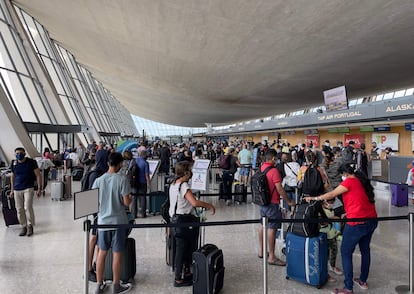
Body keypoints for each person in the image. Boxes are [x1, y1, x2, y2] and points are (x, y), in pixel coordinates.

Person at [304, 163, 377, 294]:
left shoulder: (349, 181)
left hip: (356, 223)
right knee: (365, 250)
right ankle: (362, 281)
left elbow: (331, 194)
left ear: (344, 174)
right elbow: (359, 199)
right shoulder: (362, 180)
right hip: (371, 220)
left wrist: (314, 198)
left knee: (345, 252)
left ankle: (348, 288)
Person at [169, 161, 215, 287]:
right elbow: (194, 202)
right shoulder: (183, 186)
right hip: (184, 221)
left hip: (175, 220)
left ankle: (187, 273)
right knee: (182, 250)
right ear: (186, 172)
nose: (191, 172)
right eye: (190, 170)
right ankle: (178, 278)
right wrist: (209, 205)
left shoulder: (173, 184)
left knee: (184, 248)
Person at [92, 152, 133, 294]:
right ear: (120, 163)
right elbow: (127, 202)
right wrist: (129, 199)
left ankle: (99, 285)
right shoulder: (122, 180)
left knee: (101, 253)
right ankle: (116, 285)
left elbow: (93, 203)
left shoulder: (98, 180)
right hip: (119, 222)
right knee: (117, 254)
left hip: (103, 222)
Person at [258, 149, 294, 266]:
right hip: (272, 203)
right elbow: (279, 189)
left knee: (262, 225)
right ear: (273, 158)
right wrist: (288, 201)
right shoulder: (274, 171)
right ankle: (272, 256)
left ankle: (261, 251)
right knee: (272, 229)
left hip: (262, 202)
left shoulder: (262, 167)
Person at [9, 147, 42, 237]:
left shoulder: (31, 162)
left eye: (20, 153)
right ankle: (23, 226)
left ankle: (30, 225)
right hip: (17, 188)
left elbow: (38, 175)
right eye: (17, 153)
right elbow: (12, 176)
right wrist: (12, 190)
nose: (18, 155)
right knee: (19, 209)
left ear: (24, 153)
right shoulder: (14, 163)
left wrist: (39, 188)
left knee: (27, 207)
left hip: (28, 187)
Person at [319, 199, 343, 277]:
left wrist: (338, 231)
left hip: (332, 234)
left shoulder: (331, 209)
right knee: (325, 253)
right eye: (330, 202)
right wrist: (332, 218)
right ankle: (324, 271)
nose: (331, 204)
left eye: (333, 203)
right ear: (324, 202)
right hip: (323, 235)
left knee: (334, 250)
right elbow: (321, 222)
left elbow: (335, 222)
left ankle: (332, 266)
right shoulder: (319, 210)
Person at [135, 149, 151, 218]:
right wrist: (149, 183)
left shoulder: (135, 160)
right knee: (142, 198)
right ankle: (142, 214)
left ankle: (134, 214)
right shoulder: (145, 163)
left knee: (134, 198)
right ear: (145, 155)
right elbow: (147, 175)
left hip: (134, 182)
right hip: (142, 182)